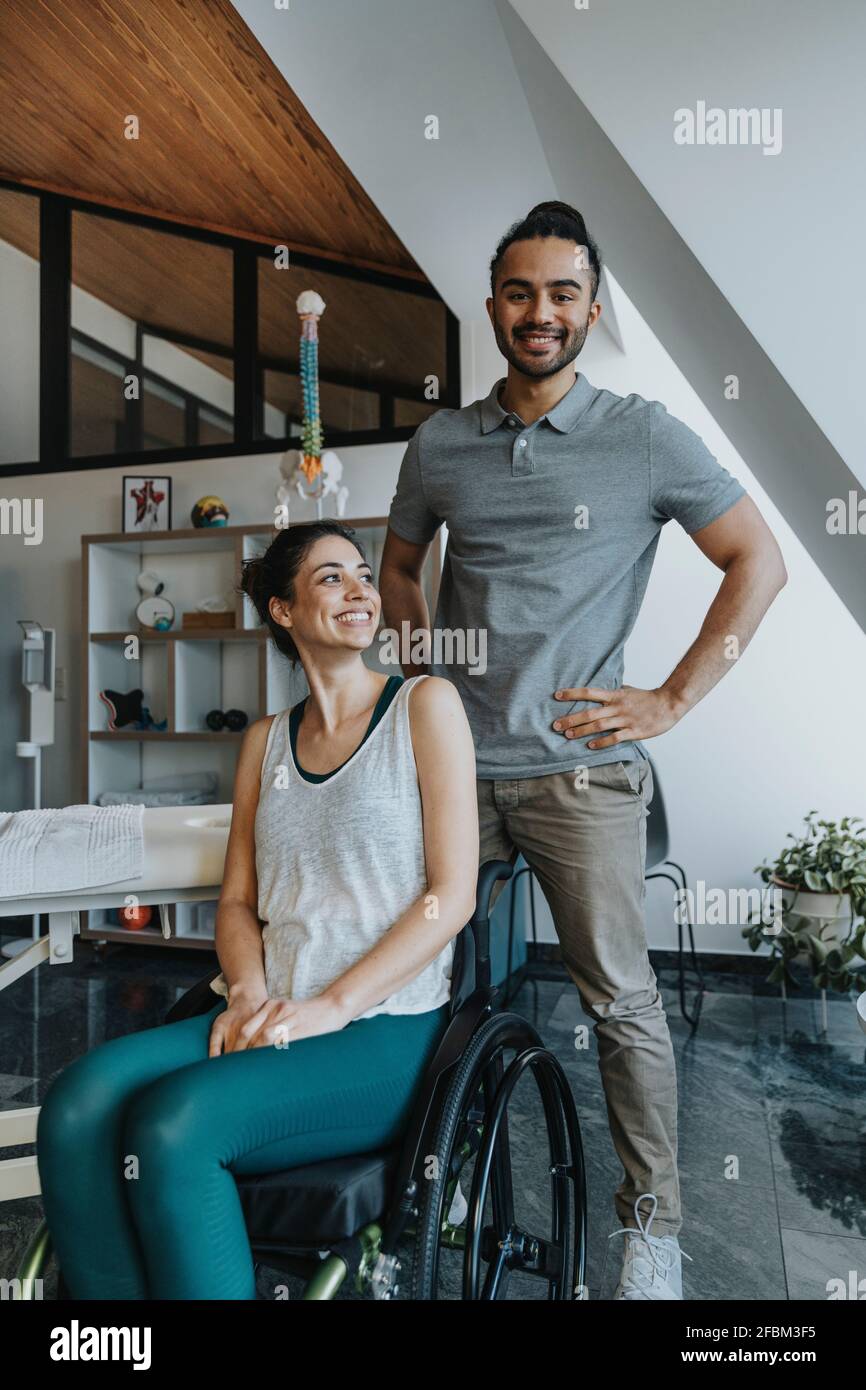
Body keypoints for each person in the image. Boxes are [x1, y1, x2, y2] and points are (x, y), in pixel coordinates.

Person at [380, 200, 787, 1300]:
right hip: (453, 769)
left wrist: (667, 698)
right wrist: (422, 665)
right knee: (402, 978)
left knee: (617, 1001)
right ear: (491, 306)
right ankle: (416, 1187)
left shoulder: (641, 433)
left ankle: (650, 1231)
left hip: (577, 773)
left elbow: (756, 558)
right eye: (519, 291)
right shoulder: (440, 443)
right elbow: (399, 565)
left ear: (591, 311)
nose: (539, 311)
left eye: (562, 293)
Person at [36, 520, 479, 1300]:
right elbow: (237, 901)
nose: (360, 590)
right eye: (331, 578)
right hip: (267, 1006)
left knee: (173, 1128)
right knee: (76, 1104)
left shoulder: (425, 706)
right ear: (282, 611)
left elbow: (453, 896)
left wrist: (333, 1007)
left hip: (384, 1029)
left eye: (363, 575)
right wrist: (246, 992)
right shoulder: (266, 743)